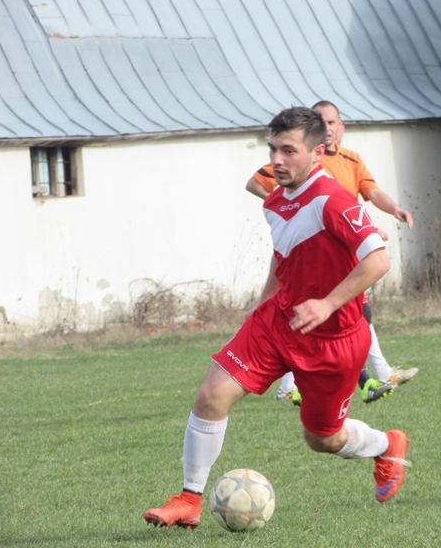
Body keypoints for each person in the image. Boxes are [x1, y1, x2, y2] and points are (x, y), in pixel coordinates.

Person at [144, 107, 410, 530]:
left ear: (317, 153)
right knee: (212, 393)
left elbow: (378, 260)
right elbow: (285, 249)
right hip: (279, 321)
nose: (277, 160)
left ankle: (385, 445)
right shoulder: (275, 198)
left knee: (323, 439)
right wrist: (267, 298)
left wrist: (326, 303)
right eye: (273, 149)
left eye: (289, 150)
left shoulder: (333, 200)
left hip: (333, 339)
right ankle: (188, 499)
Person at [247, 100, 418, 404]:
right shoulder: (296, 161)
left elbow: (370, 194)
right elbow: (256, 183)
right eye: (321, 122)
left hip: (348, 251)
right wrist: (290, 207)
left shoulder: (351, 161)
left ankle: (370, 378)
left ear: (342, 126)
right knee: (315, 317)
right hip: (319, 260)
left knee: (347, 317)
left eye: (331, 122)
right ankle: (362, 379)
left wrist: (390, 212)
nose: (327, 129)